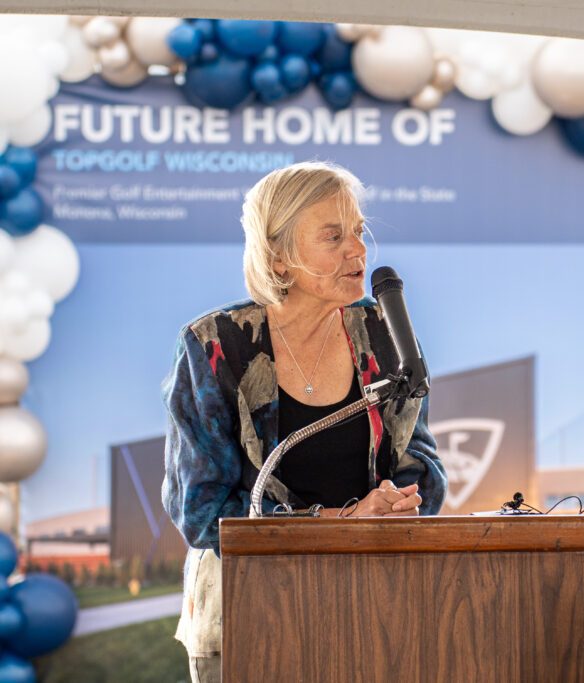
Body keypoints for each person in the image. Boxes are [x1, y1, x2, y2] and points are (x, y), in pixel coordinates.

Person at [161, 161, 447, 683]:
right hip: (249, 612)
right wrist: (339, 522)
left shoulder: (383, 335)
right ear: (279, 257)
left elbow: (421, 463)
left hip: (370, 607)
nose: (358, 252)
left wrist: (397, 502)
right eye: (333, 236)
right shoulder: (215, 347)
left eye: (359, 232)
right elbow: (199, 509)